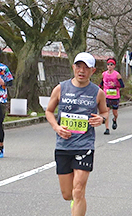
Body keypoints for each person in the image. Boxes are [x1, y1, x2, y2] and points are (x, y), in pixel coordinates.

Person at [45, 52, 109, 216]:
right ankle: (75, 202)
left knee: (79, 190)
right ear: (73, 67)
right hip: (63, 146)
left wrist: (101, 119)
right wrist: (57, 127)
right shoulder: (61, 88)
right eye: (79, 66)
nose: (82, 71)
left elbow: (104, 112)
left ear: (93, 71)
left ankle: (78, 203)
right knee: (68, 194)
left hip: (84, 146)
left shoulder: (97, 92)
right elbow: (49, 111)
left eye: (86, 68)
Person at [100, 57, 125, 135]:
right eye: (108, 64)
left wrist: (115, 85)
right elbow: (101, 84)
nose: (109, 66)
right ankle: (107, 128)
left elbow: (122, 85)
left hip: (115, 96)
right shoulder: (104, 74)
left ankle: (114, 119)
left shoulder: (117, 75)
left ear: (114, 66)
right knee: (106, 111)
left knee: (115, 113)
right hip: (106, 96)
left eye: (111, 64)